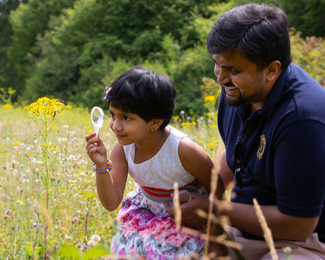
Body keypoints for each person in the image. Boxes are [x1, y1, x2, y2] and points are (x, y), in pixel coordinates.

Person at [165, 3, 325, 259]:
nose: (220, 77)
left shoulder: (303, 119)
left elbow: (298, 224)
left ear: (272, 70)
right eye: (217, 64)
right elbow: (237, 152)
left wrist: (213, 210)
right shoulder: (238, 90)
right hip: (245, 226)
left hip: (310, 242)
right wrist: (198, 192)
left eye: (233, 70)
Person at [85, 67, 225, 259]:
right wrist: (101, 166)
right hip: (146, 211)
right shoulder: (123, 148)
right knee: (127, 253)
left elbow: (217, 190)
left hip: (186, 213)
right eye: (112, 115)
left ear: (155, 122)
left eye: (126, 118)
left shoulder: (183, 149)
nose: (115, 126)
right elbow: (111, 202)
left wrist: (215, 234)